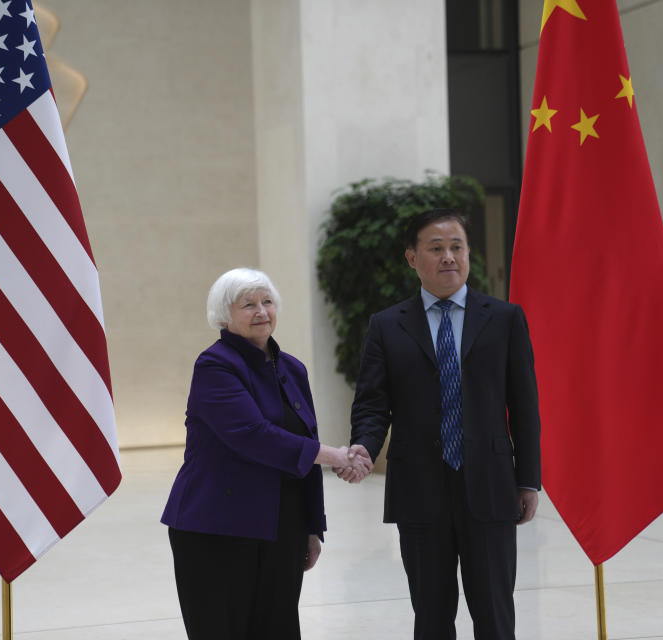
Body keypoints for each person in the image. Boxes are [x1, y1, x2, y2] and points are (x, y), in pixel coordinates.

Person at [338, 210, 541, 640]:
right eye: (436, 248)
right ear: (412, 258)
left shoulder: (504, 319)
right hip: (419, 490)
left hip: (489, 487)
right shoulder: (387, 325)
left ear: (469, 254)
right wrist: (362, 450)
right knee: (431, 615)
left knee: (496, 613)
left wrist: (528, 481)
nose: (448, 257)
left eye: (457, 247)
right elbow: (373, 405)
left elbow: (524, 407)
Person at [162, 267, 372, 640]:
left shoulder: (292, 368)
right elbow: (254, 436)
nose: (261, 311)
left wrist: (310, 528)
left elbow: (304, 440)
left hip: (282, 527)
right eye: (248, 305)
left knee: (279, 629)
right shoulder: (215, 365)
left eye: (267, 301)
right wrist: (338, 457)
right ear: (224, 316)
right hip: (216, 527)